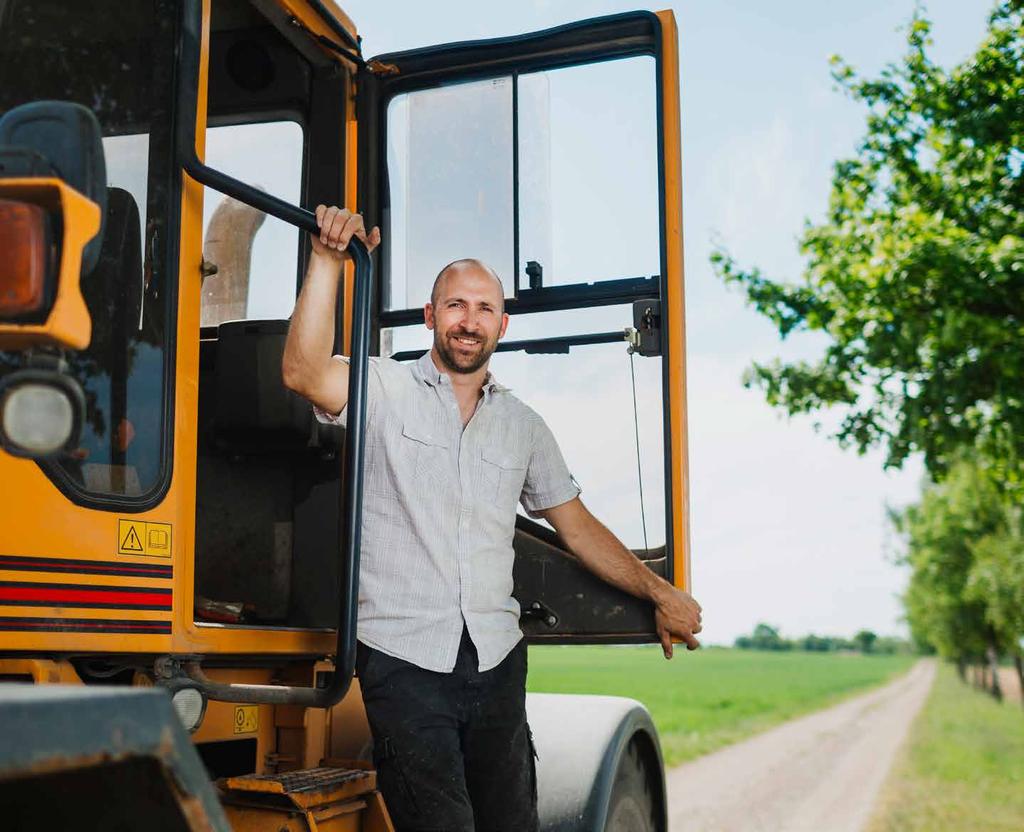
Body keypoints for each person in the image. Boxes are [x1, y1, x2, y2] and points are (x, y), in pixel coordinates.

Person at [282, 205, 703, 832]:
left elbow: (578, 528)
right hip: (402, 659)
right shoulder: (383, 391)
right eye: (455, 305)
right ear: (430, 317)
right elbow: (304, 371)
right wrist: (326, 261)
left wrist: (659, 591)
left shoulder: (524, 427)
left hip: (497, 660)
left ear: (502, 325)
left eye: (482, 309)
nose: (468, 321)